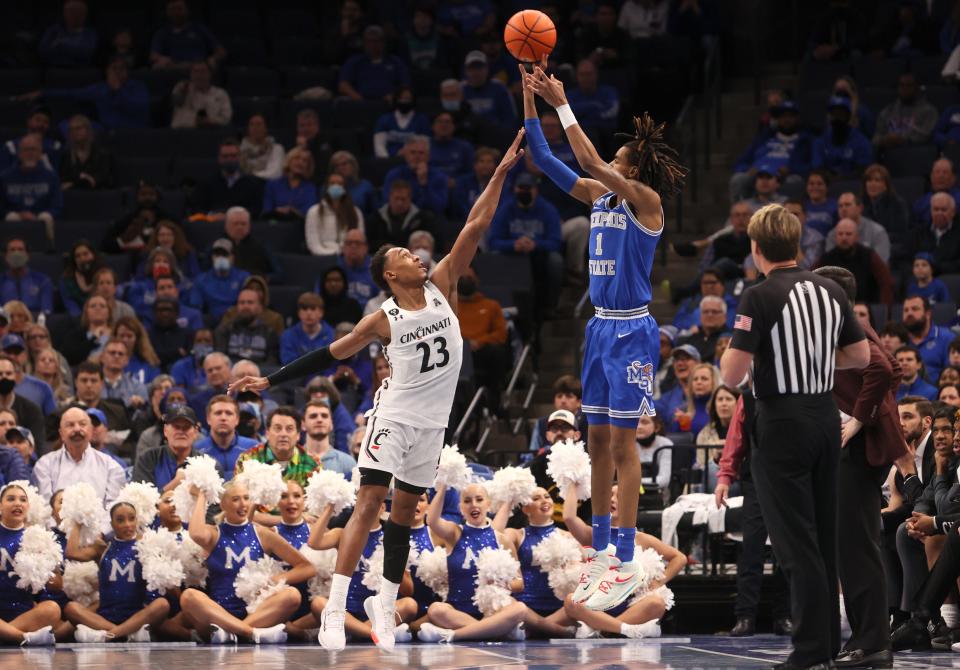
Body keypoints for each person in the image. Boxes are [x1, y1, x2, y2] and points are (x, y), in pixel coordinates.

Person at [229, 129, 525, 651]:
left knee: (406, 516)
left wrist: (499, 172)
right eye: (406, 255)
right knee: (368, 504)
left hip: (433, 424)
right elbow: (330, 355)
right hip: (393, 416)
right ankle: (336, 610)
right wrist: (270, 381)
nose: (417, 255)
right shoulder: (380, 320)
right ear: (391, 273)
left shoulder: (444, 284)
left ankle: (383, 603)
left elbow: (477, 221)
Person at [523, 62, 686, 611]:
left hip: (634, 330)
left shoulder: (646, 202)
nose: (609, 162)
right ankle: (599, 545)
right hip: (599, 328)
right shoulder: (599, 196)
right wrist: (530, 99)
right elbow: (544, 159)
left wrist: (561, 101)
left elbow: (589, 157)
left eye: (619, 159)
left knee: (622, 443)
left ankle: (621, 551)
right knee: (594, 439)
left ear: (633, 167)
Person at [719, 204, 870, 669]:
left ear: (756, 248)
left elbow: (731, 374)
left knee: (794, 542)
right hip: (825, 416)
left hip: (781, 420)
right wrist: (818, 361)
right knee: (823, 537)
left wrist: (764, 361)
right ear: (798, 244)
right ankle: (824, 646)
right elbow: (861, 356)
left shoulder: (758, 295)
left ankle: (808, 652)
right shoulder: (829, 290)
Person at [810, 265, 907, 669]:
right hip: (850, 452)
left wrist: (860, 417)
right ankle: (867, 638)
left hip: (855, 452)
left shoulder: (845, 323)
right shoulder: (842, 324)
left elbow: (883, 370)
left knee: (857, 549)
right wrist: (877, 410)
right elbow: (894, 370)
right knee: (852, 547)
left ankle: (873, 642)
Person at [180, 479, 313, 644]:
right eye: (235, 499)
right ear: (223, 505)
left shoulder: (263, 534)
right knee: (189, 597)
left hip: (256, 613)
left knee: (292, 595)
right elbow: (196, 533)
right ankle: (249, 633)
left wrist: (275, 580)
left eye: (246, 498)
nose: (243, 504)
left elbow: (307, 567)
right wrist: (201, 495)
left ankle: (233, 634)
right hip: (217, 616)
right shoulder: (214, 534)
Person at [560, 482, 685, 639]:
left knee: (657, 603)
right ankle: (625, 629)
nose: (612, 499)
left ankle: (600, 630)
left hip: (630, 607)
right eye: (609, 495)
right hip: (596, 605)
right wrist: (572, 484)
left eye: (619, 497)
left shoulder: (642, 539)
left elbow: (679, 558)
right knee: (572, 600)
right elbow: (569, 517)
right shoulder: (593, 535)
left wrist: (659, 582)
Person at [714, 391, 792, 637]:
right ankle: (745, 616)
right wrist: (725, 476)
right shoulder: (748, 397)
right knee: (751, 549)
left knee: (787, 551)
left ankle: (784, 616)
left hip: (793, 477)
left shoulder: (799, 390)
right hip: (757, 478)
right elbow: (735, 439)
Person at [414, 482, 528, 643]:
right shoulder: (454, 533)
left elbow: (520, 582)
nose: (473, 504)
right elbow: (432, 520)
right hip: (457, 610)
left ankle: (454, 635)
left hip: (493, 610)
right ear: (461, 508)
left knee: (519, 608)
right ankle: (495, 631)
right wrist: (443, 487)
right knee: (436, 610)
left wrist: (501, 583)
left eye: (479, 499)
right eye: (467, 501)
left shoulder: (502, 539)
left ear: (488, 504)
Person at [304, 499, 418, 645]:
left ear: (382, 508)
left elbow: (408, 591)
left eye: (373, 503)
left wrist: (393, 566)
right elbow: (314, 542)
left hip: (377, 612)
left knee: (410, 605)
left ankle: (356, 632)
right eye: (361, 503)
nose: (367, 507)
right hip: (346, 612)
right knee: (318, 603)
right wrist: (330, 507)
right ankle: (373, 634)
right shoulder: (343, 533)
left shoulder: (391, 540)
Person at [63, 500, 169, 643]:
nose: (127, 524)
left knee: (162, 604)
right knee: (71, 608)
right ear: (112, 524)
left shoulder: (146, 545)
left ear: (137, 520)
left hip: (137, 617)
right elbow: (72, 553)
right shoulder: (103, 548)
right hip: (105, 617)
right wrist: (78, 522)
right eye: (120, 520)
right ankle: (127, 634)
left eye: (132, 518)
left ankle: (110, 635)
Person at [488, 172, 564, 315]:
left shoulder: (548, 209)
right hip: (512, 255)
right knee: (494, 256)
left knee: (556, 260)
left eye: (528, 188)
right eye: (520, 188)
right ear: (514, 189)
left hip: (540, 256)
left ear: (535, 190)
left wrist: (535, 244)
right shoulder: (505, 209)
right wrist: (513, 244)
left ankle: (551, 306)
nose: (524, 191)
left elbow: (556, 242)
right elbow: (493, 241)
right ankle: (499, 305)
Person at [0, 484, 60, 645]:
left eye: (23, 500)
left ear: (28, 507)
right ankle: (22, 637)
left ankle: (7, 634)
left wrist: (46, 570)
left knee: (52, 608)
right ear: (0, 505)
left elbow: (57, 585)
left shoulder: (39, 537)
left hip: (24, 613)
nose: (17, 503)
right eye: (10, 499)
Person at [33, 406, 125, 505]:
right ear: (61, 434)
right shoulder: (44, 465)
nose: (77, 429)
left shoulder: (111, 467)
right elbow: (45, 509)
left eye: (82, 424)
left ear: (90, 430)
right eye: (70, 425)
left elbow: (113, 511)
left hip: (99, 520)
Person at [30, 56, 149, 130]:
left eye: (121, 68)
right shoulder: (100, 88)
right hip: (107, 133)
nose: (117, 72)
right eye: (114, 68)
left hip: (134, 132)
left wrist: (118, 91)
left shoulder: (137, 86)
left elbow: (139, 108)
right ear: (107, 71)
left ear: (127, 72)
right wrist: (43, 93)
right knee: (67, 125)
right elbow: (70, 94)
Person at [730, 99, 811, 202]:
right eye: (783, 116)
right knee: (739, 179)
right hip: (758, 175)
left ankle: (790, 216)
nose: (787, 120)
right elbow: (740, 162)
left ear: (797, 118)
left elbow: (812, 166)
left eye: (791, 116)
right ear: (777, 119)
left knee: (794, 181)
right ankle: (739, 212)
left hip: (783, 178)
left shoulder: (805, 140)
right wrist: (749, 169)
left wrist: (791, 169)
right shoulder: (765, 138)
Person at [234, 407, 319, 495]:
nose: (283, 434)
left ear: (298, 435)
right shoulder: (247, 459)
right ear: (267, 433)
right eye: (277, 428)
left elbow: (314, 504)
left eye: (289, 429)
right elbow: (240, 500)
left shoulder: (312, 462)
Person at [457, 266, 509, 409]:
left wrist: (479, 342)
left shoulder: (491, 305)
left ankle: (495, 401)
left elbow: (501, 334)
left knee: (497, 352)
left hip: (480, 351)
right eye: (462, 276)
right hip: (456, 351)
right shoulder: (448, 306)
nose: (466, 280)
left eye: (469, 277)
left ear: (477, 280)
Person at [0, 133, 62, 242]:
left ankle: (50, 247)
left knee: (46, 217)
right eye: (26, 149)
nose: (30, 153)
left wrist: (40, 215)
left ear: (40, 153)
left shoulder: (51, 176)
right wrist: (18, 214)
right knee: (11, 218)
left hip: (41, 217)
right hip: (15, 218)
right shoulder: (5, 177)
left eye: (33, 149)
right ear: (19, 153)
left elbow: (57, 205)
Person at [816, 218, 894, 304]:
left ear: (857, 237)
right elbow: (810, 278)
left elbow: (886, 281)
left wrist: (883, 310)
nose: (844, 238)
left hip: (865, 307)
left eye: (848, 234)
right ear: (835, 237)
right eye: (840, 234)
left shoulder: (869, 256)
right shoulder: (827, 258)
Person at [188, 138, 263, 220]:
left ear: (240, 157)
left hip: (240, 225)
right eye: (225, 156)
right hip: (211, 225)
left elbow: (256, 210)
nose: (229, 159)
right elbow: (196, 207)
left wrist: (234, 216)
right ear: (219, 158)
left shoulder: (252, 183)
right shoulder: (206, 182)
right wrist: (211, 215)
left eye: (233, 156)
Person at [338, 26, 410, 103]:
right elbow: (343, 85)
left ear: (384, 42)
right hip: (360, 104)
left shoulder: (395, 61)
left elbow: (405, 85)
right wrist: (358, 98)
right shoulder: (355, 61)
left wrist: (395, 96)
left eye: (376, 41)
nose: (372, 45)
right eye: (369, 41)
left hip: (389, 104)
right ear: (364, 43)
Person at [382, 136, 448, 216]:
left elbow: (439, 208)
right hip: (399, 218)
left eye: (421, 153)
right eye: (412, 152)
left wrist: (424, 183)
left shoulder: (439, 177)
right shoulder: (394, 175)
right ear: (406, 155)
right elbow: (386, 203)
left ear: (428, 156)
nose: (417, 157)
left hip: (428, 221)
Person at [187, 238, 250, 321]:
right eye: (217, 255)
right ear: (212, 258)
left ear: (232, 258)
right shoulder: (201, 279)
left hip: (238, 318)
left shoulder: (243, 277)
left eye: (224, 255)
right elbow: (196, 307)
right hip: (212, 320)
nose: (220, 258)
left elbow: (249, 303)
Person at [367, 180, 438, 253]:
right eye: (396, 198)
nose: (399, 203)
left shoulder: (423, 219)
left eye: (403, 199)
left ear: (410, 199)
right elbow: (369, 244)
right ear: (390, 197)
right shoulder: (375, 218)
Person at [873, 72, 938, 152]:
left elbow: (927, 135)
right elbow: (876, 137)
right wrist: (883, 140)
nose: (905, 89)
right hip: (890, 154)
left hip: (917, 154)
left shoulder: (929, 111)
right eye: (901, 85)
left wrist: (901, 139)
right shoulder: (888, 111)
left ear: (917, 88)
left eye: (909, 85)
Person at [150, 0, 225, 69]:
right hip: (174, 68)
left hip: (198, 67)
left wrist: (213, 59)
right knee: (157, 66)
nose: (176, 13)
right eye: (172, 9)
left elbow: (221, 51)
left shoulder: (199, 29)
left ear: (187, 10)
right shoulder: (162, 33)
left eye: (179, 9)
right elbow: (153, 55)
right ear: (167, 12)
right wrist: (161, 58)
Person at [811, 96, 873, 177]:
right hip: (826, 185)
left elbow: (862, 171)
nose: (836, 118)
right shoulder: (820, 141)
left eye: (840, 114)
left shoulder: (862, 142)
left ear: (848, 116)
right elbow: (817, 168)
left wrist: (841, 178)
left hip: (853, 185)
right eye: (833, 114)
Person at [213, 288, 278, 365]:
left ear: (260, 307)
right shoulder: (224, 330)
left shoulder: (269, 333)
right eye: (242, 302)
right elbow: (220, 360)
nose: (245, 306)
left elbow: (272, 363)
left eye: (250, 302)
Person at [861, 163, 911, 263]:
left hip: (892, 249)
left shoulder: (897, 204)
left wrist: (877, 240)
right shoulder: (860, 205)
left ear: (885, 185)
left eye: (877, 180)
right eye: (869, 180)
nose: (872, 184)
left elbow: (901, 234)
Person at [305, 173, 364, 256]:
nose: (336, 186)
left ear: (345, 188)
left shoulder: (356, 212)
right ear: (326, 187)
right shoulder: (314, 212)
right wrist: (332, 255)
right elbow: (313, 244)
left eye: (340, 184)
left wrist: (345, 254)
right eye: (332, 183)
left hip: (348, 259)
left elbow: (359, 240)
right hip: (321, 258)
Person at [825, 192, 891, 263]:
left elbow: (880, 263)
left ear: (860, 208)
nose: (843, 209)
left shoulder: (877, 232)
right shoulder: (832, 234)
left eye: (847, 205)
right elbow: (830, 263)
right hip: (841, 273)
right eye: (840, 206)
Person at [902, 295, 954, 384]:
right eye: (906, 310)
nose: (909, 313)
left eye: (915, 309)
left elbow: (952, 374)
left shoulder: (946, 338)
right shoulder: (899, 340)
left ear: (928, 314)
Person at [461, 51, 516, 128]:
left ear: (487, 69)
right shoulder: (460, 90)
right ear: (466, 71)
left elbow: (510, 119)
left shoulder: (499, 88)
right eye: (472, 68)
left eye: (479, 68)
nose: (476, 72)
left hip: (496, 134)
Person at [301, 400, 356, 478]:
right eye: (313, 416)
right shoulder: (293, 461)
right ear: (303, 424)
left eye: (324, 416)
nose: (319, 420)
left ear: (331, 424)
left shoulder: (348, 463)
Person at [170, 60, 231, 129]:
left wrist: (211, 121)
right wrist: (183, 93)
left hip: (211, 132)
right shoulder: (182, 87)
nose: (199, 75)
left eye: (203, 71)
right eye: (196, 72)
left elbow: (226, 118)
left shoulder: (221, 94)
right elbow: (175, 102)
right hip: (182, 132)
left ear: (210, 74)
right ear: (191, 74)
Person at [58, 114, 113, 191]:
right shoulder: (66, 155)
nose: (74, 132)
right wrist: (82, 178)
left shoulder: (102, 153)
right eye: (71, 129)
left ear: (88, 130)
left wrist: (75, 181)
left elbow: (103, 178)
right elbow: (62, 177)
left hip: (97, 195)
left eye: (78, 128)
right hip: (72, 195)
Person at [261, 148, 318, 221]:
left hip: (299, 226)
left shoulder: (310, 188)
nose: (300, 162)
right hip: (275, 224)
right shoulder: (272, 184)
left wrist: (292, 211)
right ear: (289, 161)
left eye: (305, 161)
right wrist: (277, 211)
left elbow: (309, 212)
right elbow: (267, 209)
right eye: (297, 158)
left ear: (308, 166)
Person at [0, 238, 52, 317]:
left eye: (20, 250)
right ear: (5, 256)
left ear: (28, 255)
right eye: (12, 250)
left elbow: (47, 310)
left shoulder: (42, 280)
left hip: (36, 325)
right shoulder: (1, 281)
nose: (16, 253)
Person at [373, 88, 430, 159]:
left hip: (415, 160)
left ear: (413, 100)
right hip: (389, 160)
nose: (404, 101)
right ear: (396, 99)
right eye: (401, 98)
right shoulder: (385, 119)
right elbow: (379, 146)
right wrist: (387, 161)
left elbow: (425, 146)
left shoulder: (422, 120)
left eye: (407, 98)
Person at [38, 0, 97, 67]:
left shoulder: (89, 33)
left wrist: (60, 45)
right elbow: (43, 51)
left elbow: (86, 54)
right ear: (64, 13)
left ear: (84, 15)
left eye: (78, 12)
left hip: (80, 70)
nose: (74, 15)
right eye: (70, 12)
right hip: (54, 69)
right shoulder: (54, 30)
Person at [914, 192, 960, 275]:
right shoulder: (918, 233)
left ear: (953, 212)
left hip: (950, 280)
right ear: (931, 211)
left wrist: (934, 268)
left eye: (943, 209)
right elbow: (907, 260)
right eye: (936, 209)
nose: (939, 213)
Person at [328, 151, 378, 219]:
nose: (340, 168)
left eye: (344, 164)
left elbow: (375, 212)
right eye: (336, 166)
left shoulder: (365, 186)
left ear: (353, 165)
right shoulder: (327, 188)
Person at [338, 230, 378, 310]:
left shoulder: (375, 270)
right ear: (343, 248)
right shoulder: (334, 269)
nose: (353, 246)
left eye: (358, 243)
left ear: (366, 247)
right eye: (349, 243)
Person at [912, 158, 960, 225]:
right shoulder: (920, 203)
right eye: (937, 172)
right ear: (931, 177)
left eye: (945, 172)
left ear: (953, 178)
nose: (941, 176)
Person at [428, 112, 474, 182]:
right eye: (440, 121)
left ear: (454, 126)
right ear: (432, 126)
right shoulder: (424, 146)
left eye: (448, 122)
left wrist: (457, 182)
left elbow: (471, 172)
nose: (444, 125)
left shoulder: (465, 147)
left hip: (458, 188)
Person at [804, 169, 838, 236]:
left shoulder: (836, 206)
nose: (815, 187)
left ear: (827, 187)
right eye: (811, 184)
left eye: (819, 184)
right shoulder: (801, 206)